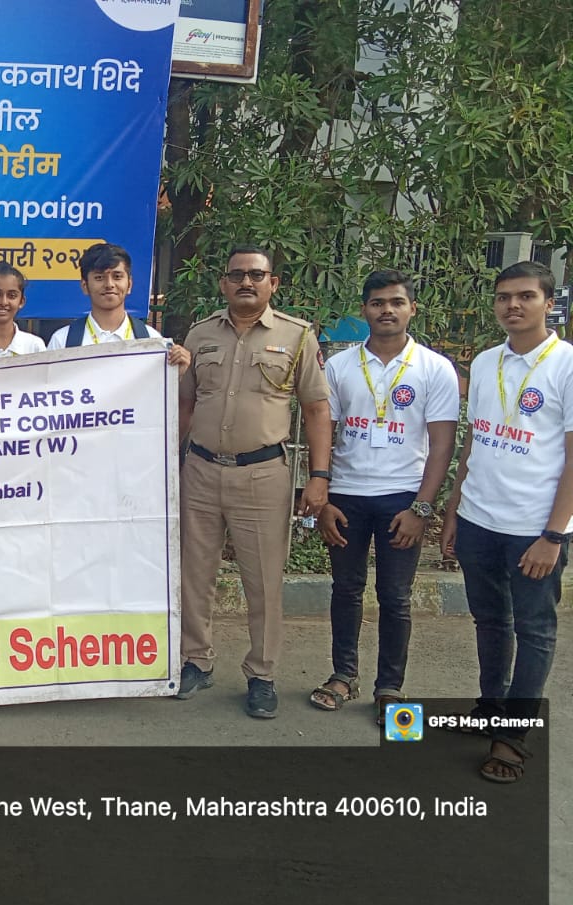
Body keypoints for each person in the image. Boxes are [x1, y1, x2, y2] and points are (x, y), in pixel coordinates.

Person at [176, 244, 332, 719]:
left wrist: (318, 477)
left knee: (263, 581)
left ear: (273, 283)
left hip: (263, 475)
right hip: (201, 470)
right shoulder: (200, 334)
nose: (246, 282)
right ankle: (195, 660)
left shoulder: (297, 336)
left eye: (257, 275)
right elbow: (184, 404)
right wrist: (167, 462)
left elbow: (316, 409)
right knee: (194, 574)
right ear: (224, 283)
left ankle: (261, 674)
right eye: (237, 274)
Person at [442, 260, 572, 784]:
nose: (512, 305)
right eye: (503, 297)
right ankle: (490, 709)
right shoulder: (486, 361)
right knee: (490, 620)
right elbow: (475, 439)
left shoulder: (566, 365)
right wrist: (455, 508)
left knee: (534, 629)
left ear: (549, 303)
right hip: (479, 519)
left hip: (533, 528)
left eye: (525, 296)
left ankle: (513, 737)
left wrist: (553, 535)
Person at [311, 269, 459, 720]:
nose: (387, 310)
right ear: (364, 310)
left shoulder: (434, 368)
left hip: (403, 498)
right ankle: (343, 675)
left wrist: (422, 508)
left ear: (412, 308)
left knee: (395, 596)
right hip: (347, 495)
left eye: (396, 302)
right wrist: (324, 498)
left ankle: (389, 687)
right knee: (346, 589)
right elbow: (322, 432)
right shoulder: (339, 366)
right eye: (377, 303)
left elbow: (442, 445)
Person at [46, 242, 191, 370]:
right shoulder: (62, 341)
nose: (109, 284)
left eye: (117, 277)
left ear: (129, 284)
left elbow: (157, 390)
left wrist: (175, 375)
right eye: (99, 278)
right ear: (85, 286)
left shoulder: (152, 341)